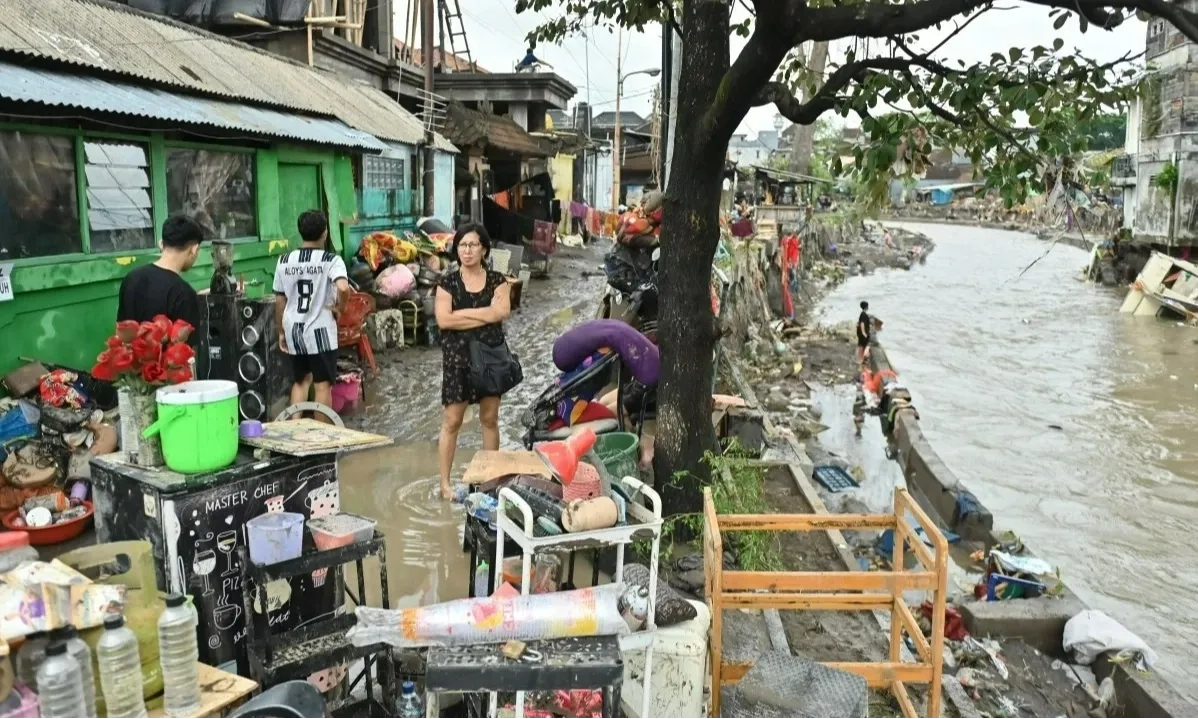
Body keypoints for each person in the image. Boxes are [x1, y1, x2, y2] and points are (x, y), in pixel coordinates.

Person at [435, 224, 512, 500]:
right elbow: (443, 320)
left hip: (491, 357)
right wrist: (483, 312)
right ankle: (445, 485)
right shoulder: (447, 282)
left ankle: (491, 480)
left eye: (473, 245)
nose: (467, 250)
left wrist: (462, 315)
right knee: (452, 421)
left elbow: (501, 312)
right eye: (462, 245)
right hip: (457, 360)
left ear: (484, 249)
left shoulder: (497, 280)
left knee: (489, 419)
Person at [273, 210, 350, 420]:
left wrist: (281, 331)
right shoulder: (331, 260)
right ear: (325, 233)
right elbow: (343, 288)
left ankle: (293, 431)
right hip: (321, 331)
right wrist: (340, 309)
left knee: (300, 381)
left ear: (300, 232)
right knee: (322, 386)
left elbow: (280, 299)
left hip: (294, 329)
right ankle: (320, 436)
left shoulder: (284, 260)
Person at [116, 214, 204, 336]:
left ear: (162, 244)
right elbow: (185, 351)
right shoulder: (184, 294)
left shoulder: (131, 278)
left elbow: (122, 334)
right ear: (194, 249)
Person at [856, 300, 872, 365]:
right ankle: (863, 358)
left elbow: (859, 323)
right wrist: (864, 333)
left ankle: (860, 359)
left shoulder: (862, 314)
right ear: (866, 307)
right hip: (864, 333)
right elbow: (862, 323)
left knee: (861, 345)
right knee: (866, 345)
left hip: (860, 333)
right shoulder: (864, 315)